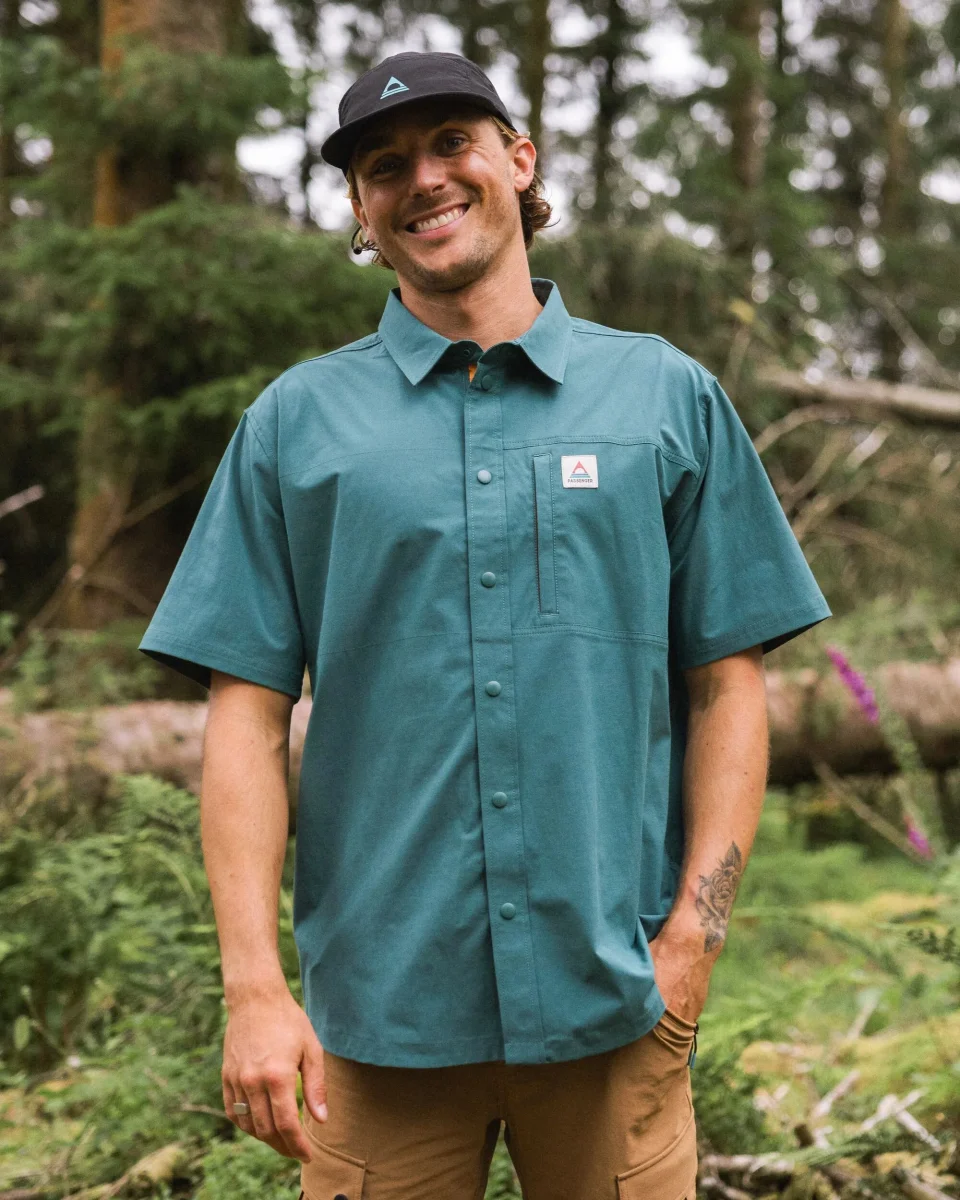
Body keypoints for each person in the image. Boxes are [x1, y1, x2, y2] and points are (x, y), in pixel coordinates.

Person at [139, 49, 832, 1200]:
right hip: (380, 1023)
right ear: (360, 209)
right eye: (384, 164)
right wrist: (255, 990)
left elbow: (728, 685)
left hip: (618, 1007)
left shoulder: (665, 399)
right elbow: (245, 718)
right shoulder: (294, 426)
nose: (423, 178)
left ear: (519, 160)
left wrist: (694, 943)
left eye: (451, 143)